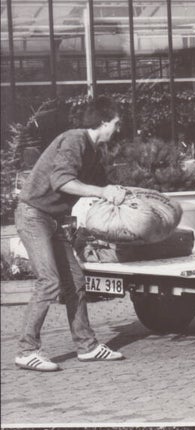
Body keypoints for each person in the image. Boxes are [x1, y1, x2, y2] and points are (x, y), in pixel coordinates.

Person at [14, 96, 127, 372]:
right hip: (33, 215)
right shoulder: (74, 140)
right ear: (103, 123)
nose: (117, 129)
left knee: (75, 281)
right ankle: (27, 350)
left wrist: (127, 194)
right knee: (49, 281)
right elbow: (62, 181)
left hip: (52, 219)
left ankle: (86, 346)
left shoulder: (92, 150)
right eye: (115, 123)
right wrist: (102, 192)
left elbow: (105, 184)